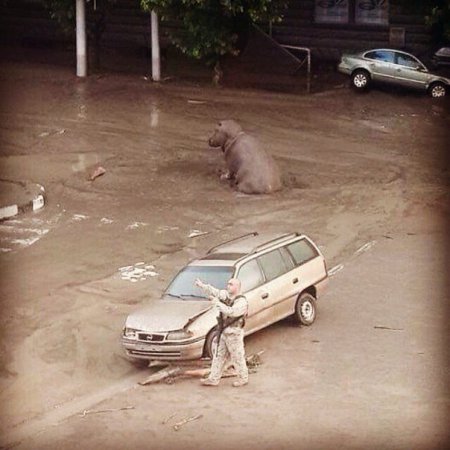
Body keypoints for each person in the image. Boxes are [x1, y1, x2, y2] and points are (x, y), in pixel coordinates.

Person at [194, 277, 249, 387]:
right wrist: (202, 286)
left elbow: (231, 312)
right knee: (218, 356)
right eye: (228, 283)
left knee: (237, 357)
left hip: (234, 333)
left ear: (237, 287)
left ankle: (243, 378)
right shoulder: (227, 296)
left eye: (231, 284)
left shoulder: (241, 302)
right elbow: (216, 292)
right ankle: (213, 378)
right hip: (224, 332)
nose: (228, 286)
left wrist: (217, 303)